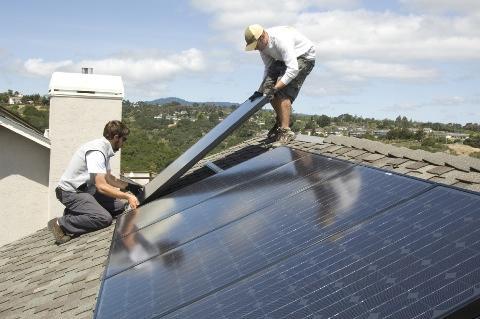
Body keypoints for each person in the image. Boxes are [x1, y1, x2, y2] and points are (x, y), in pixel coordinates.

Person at [48, 120, 143, 244]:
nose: (123, 144)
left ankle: (77, 210)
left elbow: (108, 178)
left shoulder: (105, 149)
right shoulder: (97, 152)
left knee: (119, 207)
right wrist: (127, 195)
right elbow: (101, 186)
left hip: (86, 190)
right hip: (70, 193)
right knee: (103, 218)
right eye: (123, 140)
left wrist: (129, 186)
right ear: (116, 137)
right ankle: (60, 223)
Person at [245, 24, 315, 146]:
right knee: (268, 91)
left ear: (262, 37)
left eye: (255, 45)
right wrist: (260, 90)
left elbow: (293, 69)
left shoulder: (281, 40)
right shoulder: (262, 47)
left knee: (282, 92)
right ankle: (282, 120)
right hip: (283, 59)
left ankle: (285, 131)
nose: (255, 49)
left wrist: (276, 87)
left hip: (304, 57)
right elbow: (268, 68)